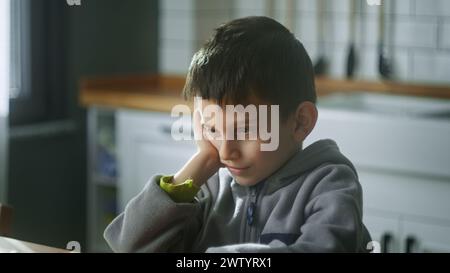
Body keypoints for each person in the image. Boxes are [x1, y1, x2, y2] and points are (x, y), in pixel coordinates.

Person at [104, 16, 372, 253]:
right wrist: (201, 164)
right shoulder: (208, 186)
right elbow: (129, 245)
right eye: (212, 129)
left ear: (300, 122)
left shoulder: (329, 184)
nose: (225, 152)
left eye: (245, 129)